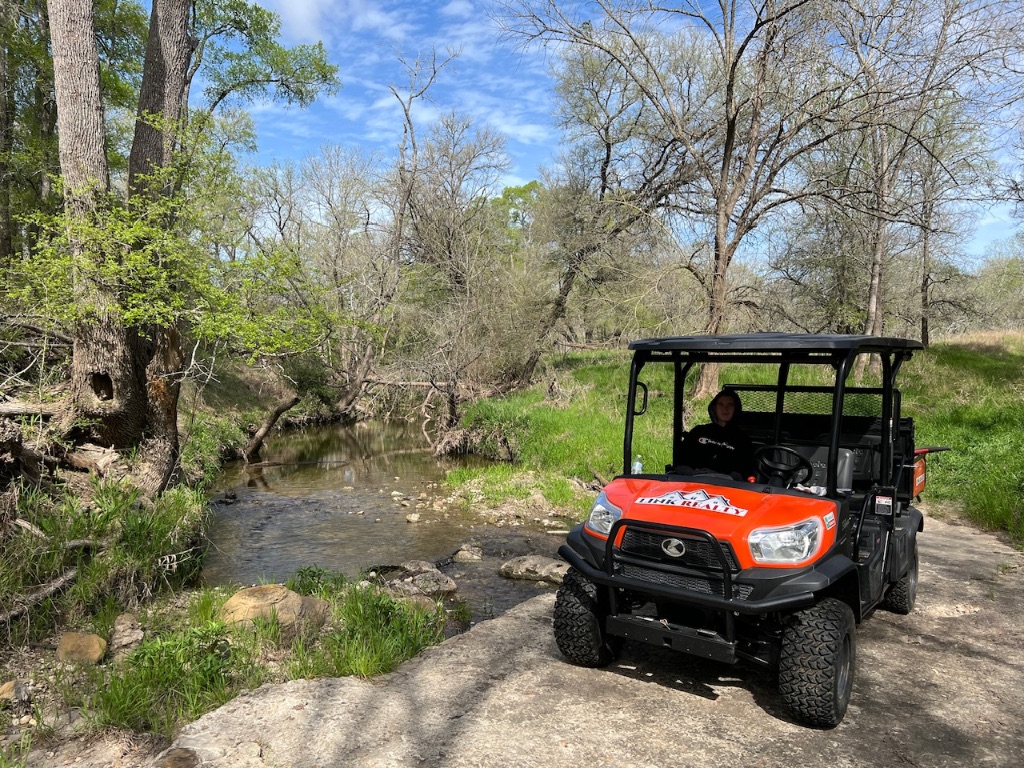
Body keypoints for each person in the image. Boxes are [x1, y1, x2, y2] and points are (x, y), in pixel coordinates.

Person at [678, 388, 755, 479]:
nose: (725, 409)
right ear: (714, 407)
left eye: (730, 405)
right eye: (720, 404)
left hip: (726, 486)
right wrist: (693, 475)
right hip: (693, 481)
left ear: (736, 409)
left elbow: (743, 472)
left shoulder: (743, 439)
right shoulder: (698, 431)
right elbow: (680, 461)